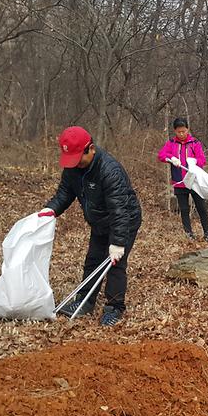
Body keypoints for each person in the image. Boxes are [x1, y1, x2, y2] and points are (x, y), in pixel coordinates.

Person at [38, 126, 142, 327]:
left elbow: (119, 210)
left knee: (115, 264)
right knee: (93, 259)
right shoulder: (73, 168)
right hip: (99, 221)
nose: (75, 164)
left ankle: (115, 307)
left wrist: (118, 243)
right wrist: (51, 210)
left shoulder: (110, 171)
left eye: (79, 159)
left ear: (91, 149)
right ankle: (85, 302)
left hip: (124, 220)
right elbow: (64, 193)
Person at [158, 117, 208, 244]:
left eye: (184, 131)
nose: (181, 134)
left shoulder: (195, 143)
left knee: (201, 206)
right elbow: (161, 155)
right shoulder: (171, 143)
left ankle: (207, 232)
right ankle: (188, 233)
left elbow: (202, 159)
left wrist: (194, 164)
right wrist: (171, 158)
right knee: (184, 209)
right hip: (179, 181)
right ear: (175, 131)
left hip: (194, 180)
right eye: (179, 132)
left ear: (188, 130)